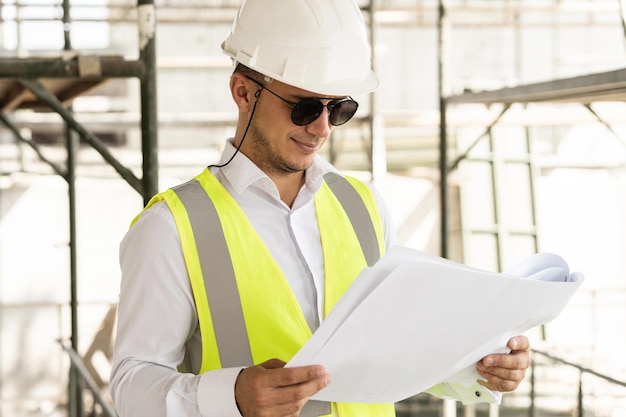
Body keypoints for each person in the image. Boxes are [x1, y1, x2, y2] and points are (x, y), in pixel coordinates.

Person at [109, 0, 531, 416]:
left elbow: (397, 349)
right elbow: (132, 387)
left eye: (339, 108)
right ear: (242, 92)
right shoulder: (171, 227)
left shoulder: (363, 207)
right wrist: (231, 398)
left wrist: (479, 366)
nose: (322, 127)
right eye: (304, 107)